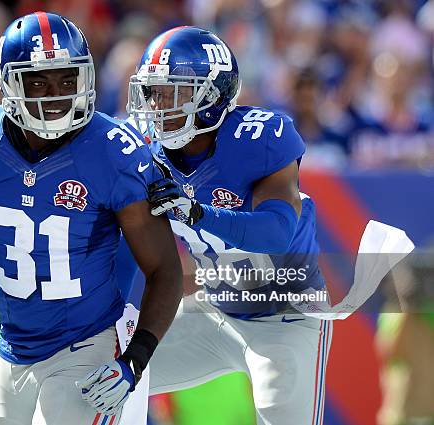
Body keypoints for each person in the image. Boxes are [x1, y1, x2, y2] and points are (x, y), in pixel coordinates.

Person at [0, 12, 182, 425]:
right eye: (39, 81)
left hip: (90, 344)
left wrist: (135, 360)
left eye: (68, 79)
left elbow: (165, 269)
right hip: (13, 356)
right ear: (8, 84)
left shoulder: (113, 152)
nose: (57, 95)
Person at [125, 26, 332, 425]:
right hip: (215, 312)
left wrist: (199, 212)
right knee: (106, 379)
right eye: (153, 92)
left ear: (212, 95)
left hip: (286, 317)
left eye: (174, 92)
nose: (158, 104)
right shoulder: (142, 147)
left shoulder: (260, 138)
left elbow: (276, 231)